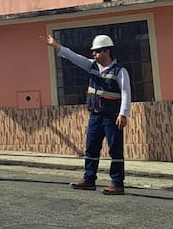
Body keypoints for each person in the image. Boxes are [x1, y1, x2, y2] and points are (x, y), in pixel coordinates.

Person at [40, 33, 131, 195]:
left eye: (97, 51)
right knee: (91, 147)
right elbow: (74, 57)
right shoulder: (92, 66)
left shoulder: (120, 71)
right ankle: (89, 179)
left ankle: (117, 183)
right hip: (95, 115)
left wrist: (123, 114)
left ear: (106, 52)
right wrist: (56, 46)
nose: (93, 54)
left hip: (112, 117)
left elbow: (126, 93)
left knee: (115, 150)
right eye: (93, 52)